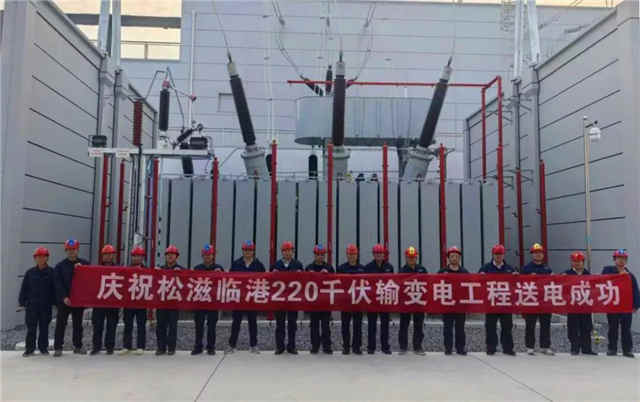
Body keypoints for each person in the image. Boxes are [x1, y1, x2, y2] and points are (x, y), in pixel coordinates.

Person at [227, 240, 266, 354]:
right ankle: (232, 345)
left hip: (252, 298)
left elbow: (264, 279)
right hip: (239, 298)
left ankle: (253, 345)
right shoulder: (236, 264)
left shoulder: (258, 265)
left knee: (253, 322)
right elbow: (230, 279)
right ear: (242, 251)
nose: (248, 252)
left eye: (250, 250)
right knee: (236, 322)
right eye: (246, 250)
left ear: (253, 251)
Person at [53, 239, 89, 357]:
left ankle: (78, 346)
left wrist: (82, 269)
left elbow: (90, 280)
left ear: (77, 250)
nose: (71, 252)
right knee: (60, 324)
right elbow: (58, 284)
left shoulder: (85, 264)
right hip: (64, 301)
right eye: (69, 249)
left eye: (73, 249)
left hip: (78, 300)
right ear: (66, 251)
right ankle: (58, 347)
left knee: (78, 324)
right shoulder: (60, 266)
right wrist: (64, 297)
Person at [479, 244, 517, 356]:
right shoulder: (486, 268)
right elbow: (478, 282)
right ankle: (491, 347)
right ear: (493, 255)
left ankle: (508, 348)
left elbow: (516, 285)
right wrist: (481, 276)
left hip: (505, 302)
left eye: (500, 254)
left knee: (507, 326)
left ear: (503, 255)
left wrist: (516, 277)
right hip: (491, 302)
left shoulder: (510, 269)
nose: (498, 256)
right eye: (496, 254)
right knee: (490, 327)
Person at [602, 249, 640, 358]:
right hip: (612, 305)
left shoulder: (630, 275)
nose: (621, 260)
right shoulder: (607, 270)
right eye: (619, 258)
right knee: (612, 327)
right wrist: (619, 275)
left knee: (626, 329)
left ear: (626, 260)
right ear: (614, 259)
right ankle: (612, 348)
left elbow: (635, 291)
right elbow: (602, 281)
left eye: (623, 258)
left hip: (626, 307)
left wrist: (636, 305)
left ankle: (627, 350)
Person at [18, 247, 56, 357]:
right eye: (38, 257)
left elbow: (55, 289)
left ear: (47, 258)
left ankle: (43, 348)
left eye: (43, 256)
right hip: (32, 306)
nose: (40, 259)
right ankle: (29, 349)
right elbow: (24, 289)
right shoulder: (30, 273)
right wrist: (21, 303)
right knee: (31, 328)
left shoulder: (52, 272)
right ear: (35, 258)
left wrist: (56, 303)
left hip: (46, 306)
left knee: (44, 328)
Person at [270, 241, 303, 355]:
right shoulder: (276, 265)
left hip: (293, 299)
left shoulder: (298, 264)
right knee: (280, 324)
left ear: (293, 252)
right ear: (282, 252)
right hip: (280, 299)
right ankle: (280, 347)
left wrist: (300, 274)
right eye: (285, 251)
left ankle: (291, 346)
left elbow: (303, 281)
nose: (287, 253)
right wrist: (273, 273)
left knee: (292, 324)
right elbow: (269, 280)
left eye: (289, 250)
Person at [521, 243, 554, 356]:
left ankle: (545, 346)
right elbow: (520, 283)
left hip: (545, 301)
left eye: (540, 252)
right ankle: (530, 346)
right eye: (535, 253)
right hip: (531, 301)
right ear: (532, 255)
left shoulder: (547, 269)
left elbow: (553, 283)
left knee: (545, 324)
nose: (538, 255)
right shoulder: (526, 269)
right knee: (530, 324)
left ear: (543, 254)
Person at [563, 252, 597, 356]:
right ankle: (574, 348)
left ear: (583, 262)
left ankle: (587, 348)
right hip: (572, 305)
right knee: (572, 327)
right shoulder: (566, 274)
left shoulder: (588, 275)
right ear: (571, 262)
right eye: (575, 261)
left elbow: (594, 290)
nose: (577, 263)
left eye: (579, 261)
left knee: (586, 327)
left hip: (585, 305)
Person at [192, 244, 223, 356]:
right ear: (202, 256)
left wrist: (221, 274)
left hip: (212, 301)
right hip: (200, 301)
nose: (207, 257)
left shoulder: (218, 268)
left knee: (211, 326)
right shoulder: (197, 268)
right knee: (199, 325)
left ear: (213, 255)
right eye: (205, 255)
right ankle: (198, 347)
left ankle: (211, 347)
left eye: (209, 254)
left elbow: (225, 282)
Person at [438, 246, 468, 356]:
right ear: (448, 258)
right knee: (447, 328)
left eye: (456, 256)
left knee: (460, 328)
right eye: (452, 256)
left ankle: (460, 348)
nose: (454, 258)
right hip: (447, 305)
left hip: (460, 305)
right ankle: (448, 348)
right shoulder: (442, 272)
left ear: (459, 258)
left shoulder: (464, 272)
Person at [364, 244, 393, 354]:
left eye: (380, 253)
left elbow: (392, 283)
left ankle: (385, 347)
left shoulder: (389, 267)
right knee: (372, 325)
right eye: (376, 253)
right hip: (372, 300)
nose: (378, 255)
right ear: (373, 254)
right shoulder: (368, 267)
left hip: (384, 299)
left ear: (383, 254)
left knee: (385, 324)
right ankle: (371, 347)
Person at [90, 245, 120, 355]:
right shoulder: (96, 270)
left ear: (114, 255)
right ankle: (96, 347)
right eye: (106, 254)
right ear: (102, 256)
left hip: (113, 302)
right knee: (97, 325)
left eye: (110, 254)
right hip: (99, 303)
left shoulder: (120, 269)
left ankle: (110, 347)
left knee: (111, 326)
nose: (108, 256)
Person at [398, 246, 428, 356]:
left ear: (416, 258)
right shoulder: (402, 271)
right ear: (406, 258)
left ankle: (418, 347)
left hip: (419, 301)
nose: (411, 259)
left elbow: (427, 284)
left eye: (413, 257)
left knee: (418, 325)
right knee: (403, 325)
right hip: (406, 302)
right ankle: (403, 347)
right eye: (409, 257)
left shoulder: (422, 270)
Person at [306, 244, 334, 354]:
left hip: (325, 302)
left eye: (322, 254)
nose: (320, 256)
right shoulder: (309, 268)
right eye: (318, 254)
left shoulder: (329, 268)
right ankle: (315, 346)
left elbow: (335, 282)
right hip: (313, 302)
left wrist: (328, 275)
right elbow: (303, 283)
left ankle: (327, 346)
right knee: (314, 325)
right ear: (314, 255)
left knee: (326, 326)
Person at [155, 245, 183, 356]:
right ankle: (161, 347)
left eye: (172, 254)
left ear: (177, 257)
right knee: (160, 325)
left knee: (172, 326)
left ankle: (171, 348)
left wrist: (181, 273)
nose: (170, 256)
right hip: (161, 302)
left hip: (174, 303)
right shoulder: (160, 269)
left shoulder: (181, 270)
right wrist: (154, 273)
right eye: (168, 254)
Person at [120, 246, 148, 355]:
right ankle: (127, 346)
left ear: (142, 258)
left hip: (141, 302)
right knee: (128, 325)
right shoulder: (126, 270)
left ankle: (141, 346)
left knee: (141, 325)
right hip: (129, 302)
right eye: (134, 256)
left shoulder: (147, 270)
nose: (136, 258)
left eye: (138, 256)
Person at [337, 244, 365, 355]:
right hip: (346, 301)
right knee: (345, 325)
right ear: (347, 255)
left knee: (357, 326)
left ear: (357, 255)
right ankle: (346, 347)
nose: (352, 256)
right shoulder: (341, 268)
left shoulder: (363, 269)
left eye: (353, 254)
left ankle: (357, 347)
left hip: (358, 301)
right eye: (350, 254)